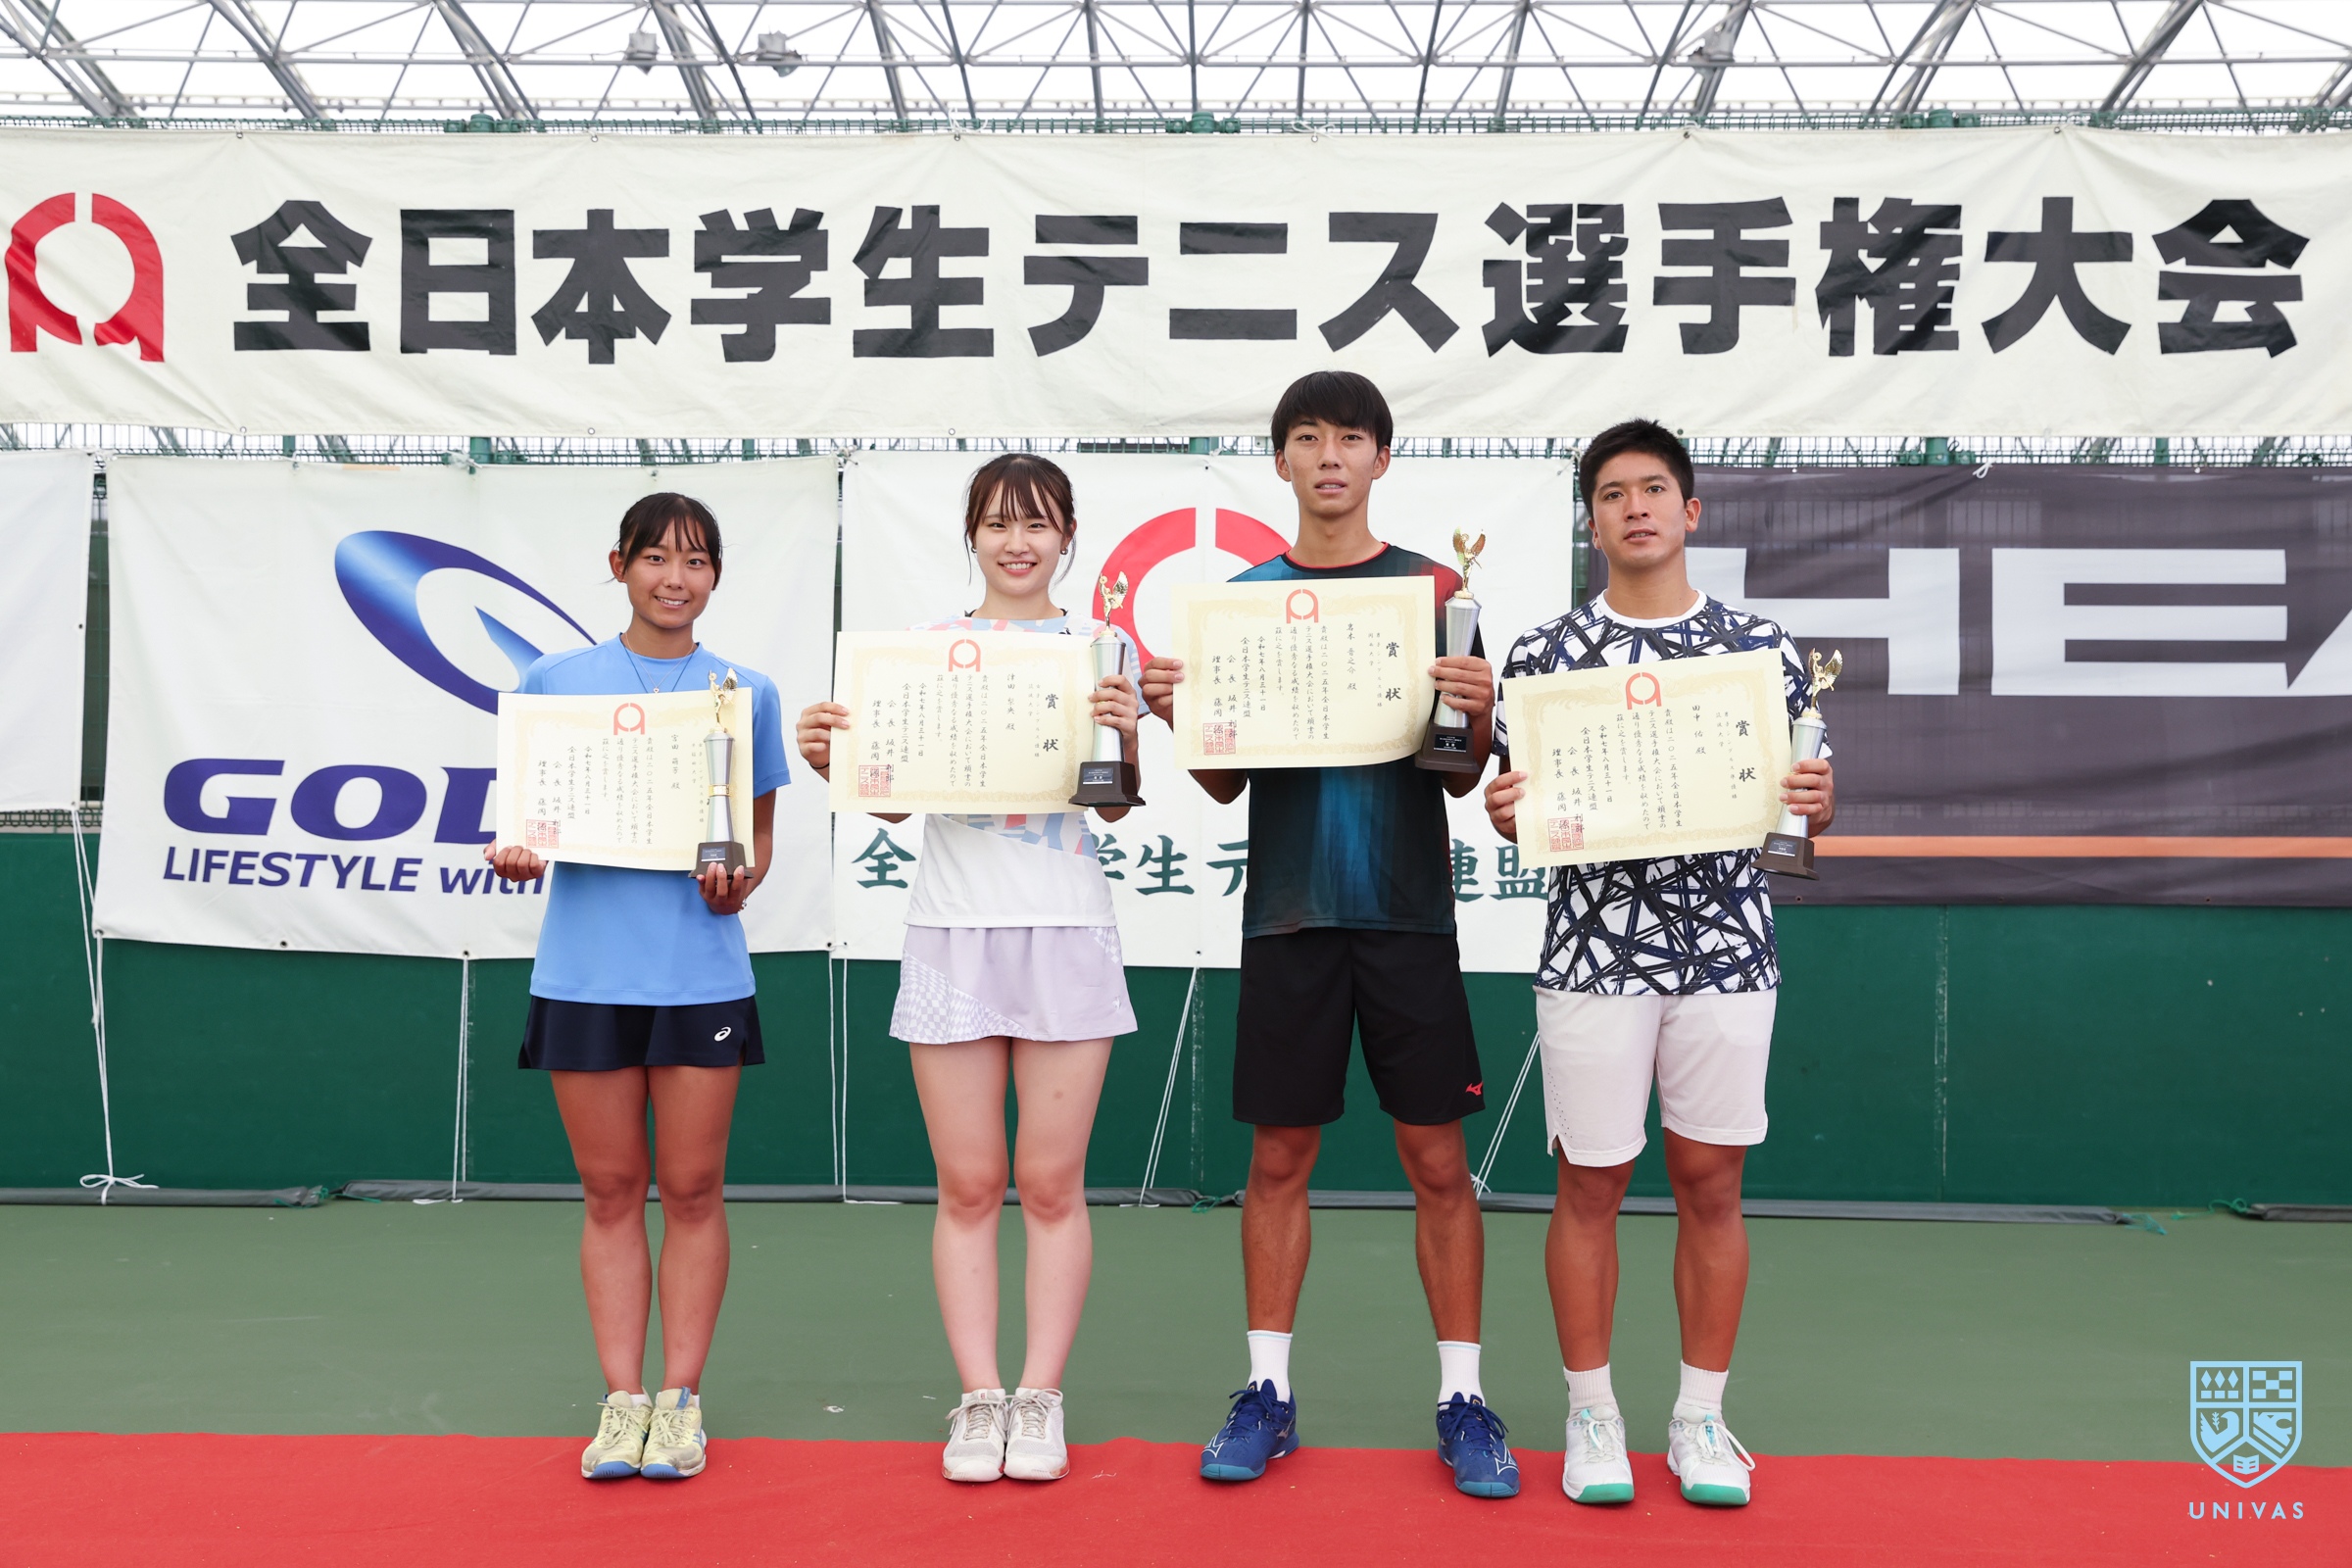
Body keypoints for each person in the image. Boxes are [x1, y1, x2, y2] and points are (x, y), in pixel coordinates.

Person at [1140, 371, 1519, 1498]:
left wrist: (1478, 711)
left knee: (1438, 1162)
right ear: (1282, 461)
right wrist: (1179, 711)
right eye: (1307, 438)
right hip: (1289, 915)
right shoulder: (1243, 602)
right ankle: (1267, 1391)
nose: (1329, 456)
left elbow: (1458, 776)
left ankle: (1463, 1399)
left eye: (1350, 437)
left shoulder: (1436, 591)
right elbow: (1222, 780)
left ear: (1381, 458)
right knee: (1277, 1159)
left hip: (1408, 917)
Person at [1484, 418, 1836, 1510]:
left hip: (1727, 947)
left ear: (1691, 511)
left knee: (1712, 1184)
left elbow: (1800, 807)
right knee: (1589, 1182)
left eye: (1652, 489)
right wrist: (1506, 810)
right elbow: (1523, 805)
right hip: (1593, 950)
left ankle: (1699, 1417)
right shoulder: (1542, 655)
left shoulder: (1761, 649)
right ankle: (1592, 1411)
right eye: (1611, 494)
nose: (1633, 507)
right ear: (1591, 523)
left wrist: (1819, 803)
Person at [797, 454, 1142, 1486]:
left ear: (1067, 535)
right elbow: (892, 797)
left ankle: (1041, 1396)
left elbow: (1116, 803)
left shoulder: (1101, 647)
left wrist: (1126, 732)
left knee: (1050, 1184)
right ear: (972, 535)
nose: (1017, 542)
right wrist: (834, 756)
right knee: (969, 1182)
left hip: (1067, 929)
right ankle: (980, 1394)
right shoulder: (924, 652)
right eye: (998, 523)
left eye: (1037, 523)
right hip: (952, 931)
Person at [484, 492, 790, 1483]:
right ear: (619, 565)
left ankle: (680, 1400)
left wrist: (738, 878)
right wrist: (517, 852)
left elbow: (758, 843)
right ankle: (622, 1403)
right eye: (655, 557)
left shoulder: (746, 693)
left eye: (695, 561)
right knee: (611, 1191)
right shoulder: (553, 683)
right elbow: (525, 822)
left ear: (715, 577)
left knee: (693, 1190)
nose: (674, 578)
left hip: (700, 976)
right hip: (584, 976)